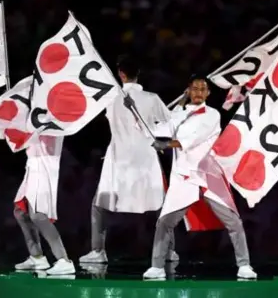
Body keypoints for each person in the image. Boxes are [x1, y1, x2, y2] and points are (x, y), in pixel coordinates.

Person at [140, 75, 257, 280]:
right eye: (195, 89)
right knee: (164, 222)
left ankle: (244, 265)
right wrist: (138, 117)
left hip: (207, 174)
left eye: (202, 89)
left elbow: (191, 140)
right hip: (183, 176)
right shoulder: (177, 114)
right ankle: (156, 267)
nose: (198, 93)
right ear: (188, 90)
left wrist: (166, 145)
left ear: (208, 93)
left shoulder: (213, 115)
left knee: (234, 222)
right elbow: (160, 129)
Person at [79, 56, 179, 263]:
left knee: (100, 206)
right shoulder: (152, 98)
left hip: (119, 160)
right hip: (145, 160)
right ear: (138, 74)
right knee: (161, 206)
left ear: (121, 75)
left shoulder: (111, 98)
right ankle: (169, 251)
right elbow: (172, 124)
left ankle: (98, 252)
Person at [13, 135, 75, 275]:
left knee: (38, 215)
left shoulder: (53, 115)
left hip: (45, 164)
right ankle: (37, 257)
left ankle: (64, 260)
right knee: (21, 212)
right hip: (32, 163)